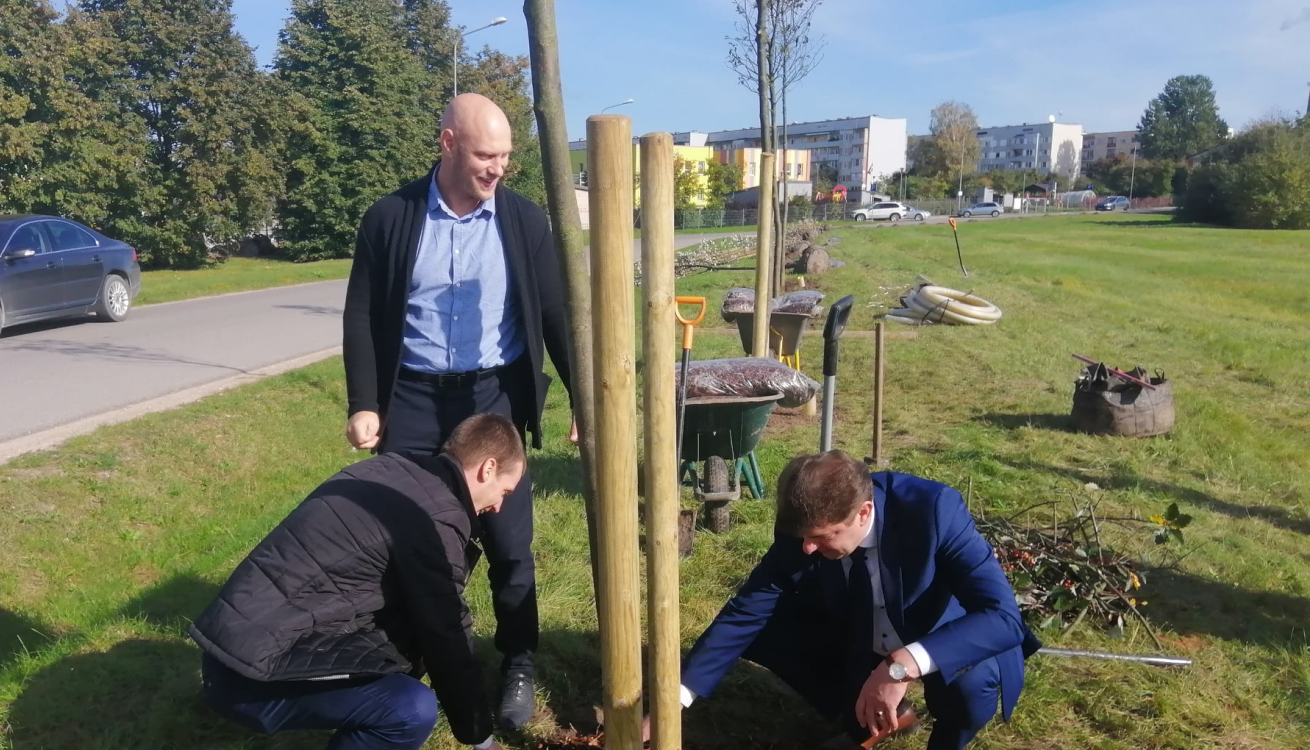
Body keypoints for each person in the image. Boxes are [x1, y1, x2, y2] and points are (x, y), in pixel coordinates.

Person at [341, 92, 575, 727]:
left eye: (505, 156)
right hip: (412, 397)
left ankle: (518, 660)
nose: (497, 168)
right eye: (484, 155)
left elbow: (553, 315)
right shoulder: (390, 217)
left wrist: (582, 397)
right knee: (406, 535)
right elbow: (361, 311)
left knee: (507, 540)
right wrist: (366, 402)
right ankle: (404, 657)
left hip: (492, 396)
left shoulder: (524, 222)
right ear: (446, 144)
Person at [189, 413, 528, 750]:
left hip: (231, 648)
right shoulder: (435, 518)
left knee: (405, 640)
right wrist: (480, 739)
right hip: (247, 676)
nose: (499, 506)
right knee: (410, 709)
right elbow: (445, 631)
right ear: (487, 468)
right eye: (505, 490)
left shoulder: (391, 470)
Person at [662, 450, 1040, 750]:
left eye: (824, 536)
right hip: (859, 625)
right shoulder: (804, 528)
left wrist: (902, 665)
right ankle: (863, 715)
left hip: (937, 631)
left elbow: (1003, 617)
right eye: (804, 537)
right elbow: (748, 607)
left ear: (864, 512)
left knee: (970, 690)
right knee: (764, 629)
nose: (808, 547)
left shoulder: (933, 511)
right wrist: (677, 698)